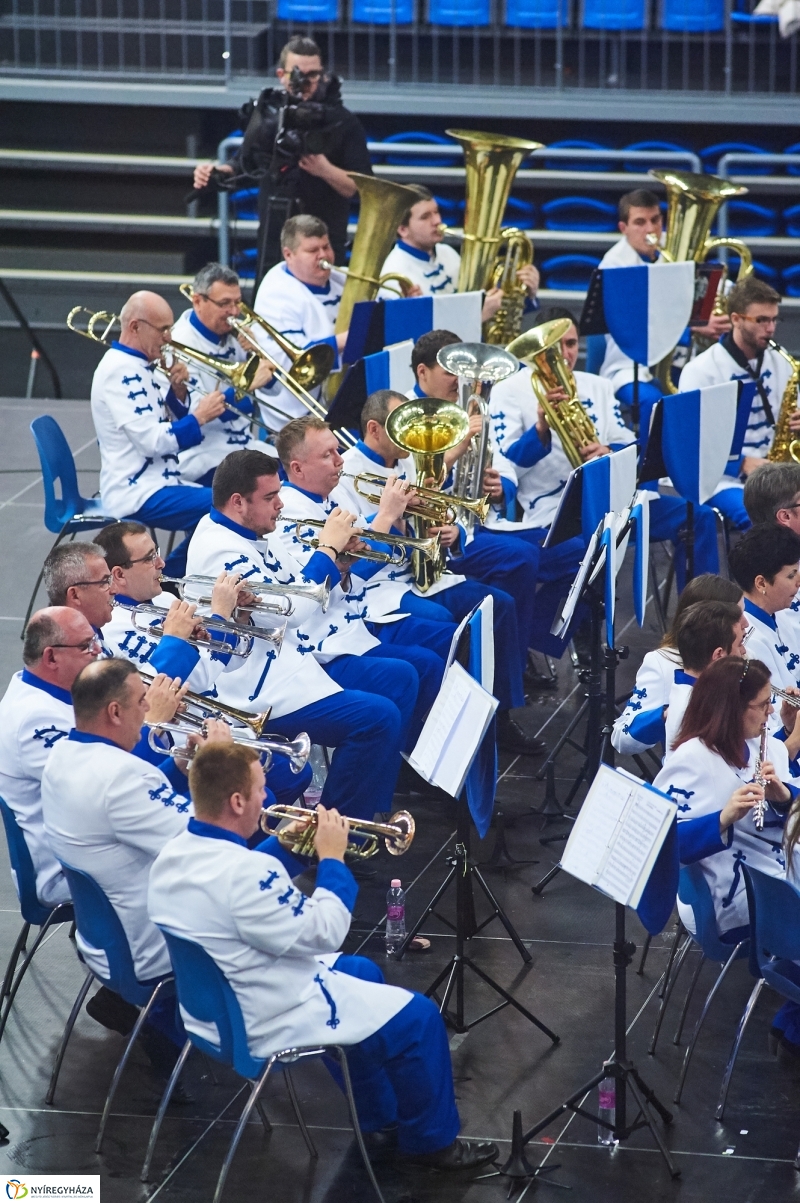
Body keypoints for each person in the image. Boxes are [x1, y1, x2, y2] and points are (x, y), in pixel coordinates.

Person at [147, 740, 499, 1172]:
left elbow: (235, 886)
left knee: (362, 971)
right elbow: (326, 932)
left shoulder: (173, 853)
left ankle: (379, 1119)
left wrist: (291, 847)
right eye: (260, 789)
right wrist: (332, 859)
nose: (267, 798)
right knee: (421, 1019)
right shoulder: (247, 874)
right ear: (237, 801)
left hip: (211, 1010)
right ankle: (431, 1145)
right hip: (264, 1015)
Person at [186, 448, 424, 819]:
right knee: (377, 718)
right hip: (255, 688)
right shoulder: (220, 551)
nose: (280, 505)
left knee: (401, 677)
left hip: (289, 661)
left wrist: (340, 563)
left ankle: (369, 803)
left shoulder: (255, 528)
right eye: (269, 498)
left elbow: (298, 582)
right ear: (237, 502)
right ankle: (337, 829)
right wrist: (328, 546)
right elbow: (293, 609)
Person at [488, 307, 720, 593]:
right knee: (588, 553)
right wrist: (541, 430)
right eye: (554, 346)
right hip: (555, 510)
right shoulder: (508, 390)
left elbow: (630, 444)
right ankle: (567, 629)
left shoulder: (598, 385)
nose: (564, 354)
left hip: (614, 499)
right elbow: (508, 465)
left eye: (571, 344)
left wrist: (609, 450)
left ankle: (704, 618)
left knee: (698, 517)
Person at [193, 37, 371, 274]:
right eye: (297, 74)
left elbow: (361, 187)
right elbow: (245, 162)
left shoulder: (342, 122)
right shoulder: (269, 116)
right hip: (274, 238)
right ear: (281, 74)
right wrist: (220, 172)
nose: (304, 83)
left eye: (313, 75)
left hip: (323, 240)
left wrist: (324, 170)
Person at [653, 657, 793, 941]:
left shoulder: (765, 747)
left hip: (775, 869)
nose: (772, 710)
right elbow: (661, 843)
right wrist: (722, 818)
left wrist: (784, 798)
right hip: (734, 892)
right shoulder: (692, 759)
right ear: (733, 709)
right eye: (763, 704)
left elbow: (788, 809)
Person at [90, 290, 225, 576]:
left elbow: (159, 420)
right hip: (136, 490)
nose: (168, 338)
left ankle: (174, 576)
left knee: (226, 502)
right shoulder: (120, 370)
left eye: (170, 329)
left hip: (159, 482)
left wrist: (178, 393)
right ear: (135, 326)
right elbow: (151, 441)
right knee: (227, 506)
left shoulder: (140, 366)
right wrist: (199, 417)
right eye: (162, 329)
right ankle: (172, 577)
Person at [597, 188, 730, 406]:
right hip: (632, 366)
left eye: (655, 220)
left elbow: (711, 288)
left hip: (681, 359)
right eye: (640, 222)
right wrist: (693, 327)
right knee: (655, 404)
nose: (651, 230)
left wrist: (731, 299)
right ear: (624, 228)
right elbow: (633, 326)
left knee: (716, 395)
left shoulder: (674, 247)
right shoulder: (614, 266)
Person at [612, 573, 745, 756]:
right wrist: (667, 715)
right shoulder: (662, 663)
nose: (746, 623)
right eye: (738, 616)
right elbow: (622, 737)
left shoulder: (741, 646)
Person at [170, 262, 277, 485]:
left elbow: (275, 390)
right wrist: (246, 386)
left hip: (244, 445)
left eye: (237, 302)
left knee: (301, 472)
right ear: (198, 301)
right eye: (225, 304)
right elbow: (198, 412)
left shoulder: (237, 333)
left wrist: (258, 353)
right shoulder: (179, 343)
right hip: (203, 454)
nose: (234, 312)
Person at [679, 276, 796, 480]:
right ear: (735, 319)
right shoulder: (700, 371)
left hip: (774, 470)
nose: (770, 328)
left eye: (774, 319)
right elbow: (691, 441)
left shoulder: (781, 360)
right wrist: (740, 462)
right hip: (721, 477)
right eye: (761, 320)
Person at [378, 184, 539, 325]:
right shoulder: (394, 275)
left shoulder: (447, 253)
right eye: (425, 217)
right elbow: (413, 340)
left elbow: (487, 307)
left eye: (436, 212)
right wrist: (475, 318)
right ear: (402, 229)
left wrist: (525, 293)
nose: (437, 221)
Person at [43, 541, 199, 680]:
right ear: (75, 595)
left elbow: (134, 687)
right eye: (105, 582)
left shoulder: (98, 638)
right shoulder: (72, 653)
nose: (113, 589)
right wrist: (174, 639)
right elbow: (129, 703)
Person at [252, 215, 347, 433]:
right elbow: (297, 361)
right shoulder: (277, 293)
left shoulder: (338, 278)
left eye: (326, 247)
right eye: (313, 251)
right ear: (289, 254)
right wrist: (345, 340)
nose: (324, 256)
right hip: (297, 416)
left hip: (341, 397)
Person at [663, 600, 748, 753]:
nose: (743, 651)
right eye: (740, 643)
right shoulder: (696, 710)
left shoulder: (704, 694)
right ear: (719, 654)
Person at [729, 523, 800, 693]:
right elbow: (775, 711)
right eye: (791, 575)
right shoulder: (749, 640)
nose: (799, 581)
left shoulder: (778, 610)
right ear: (761, 583)